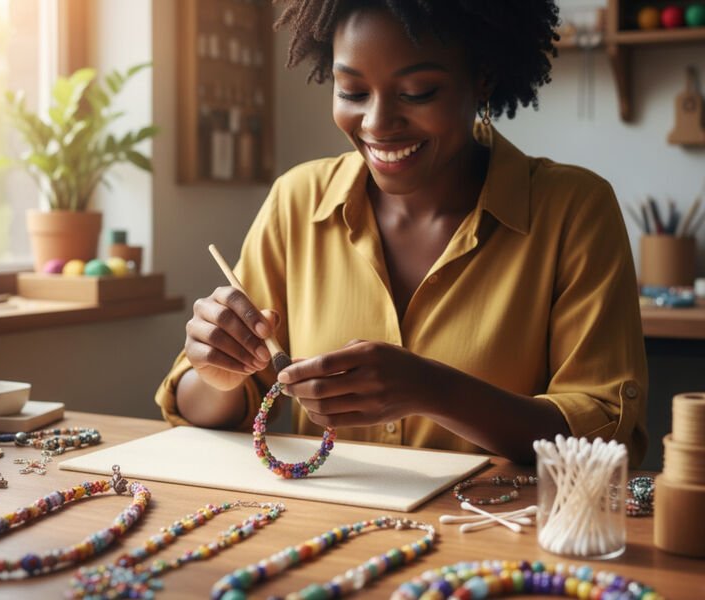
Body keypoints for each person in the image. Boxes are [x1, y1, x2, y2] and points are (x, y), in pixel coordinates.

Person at [156, 0, 648, 467]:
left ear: (483, 78)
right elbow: (206, 411)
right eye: (352, 91)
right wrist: (216, 377)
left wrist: (433, 391)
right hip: (327, 538)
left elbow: (605, 434)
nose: (377, 123)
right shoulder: (297, 201)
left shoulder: (574, 211)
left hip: (495, 544)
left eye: (417, 93)